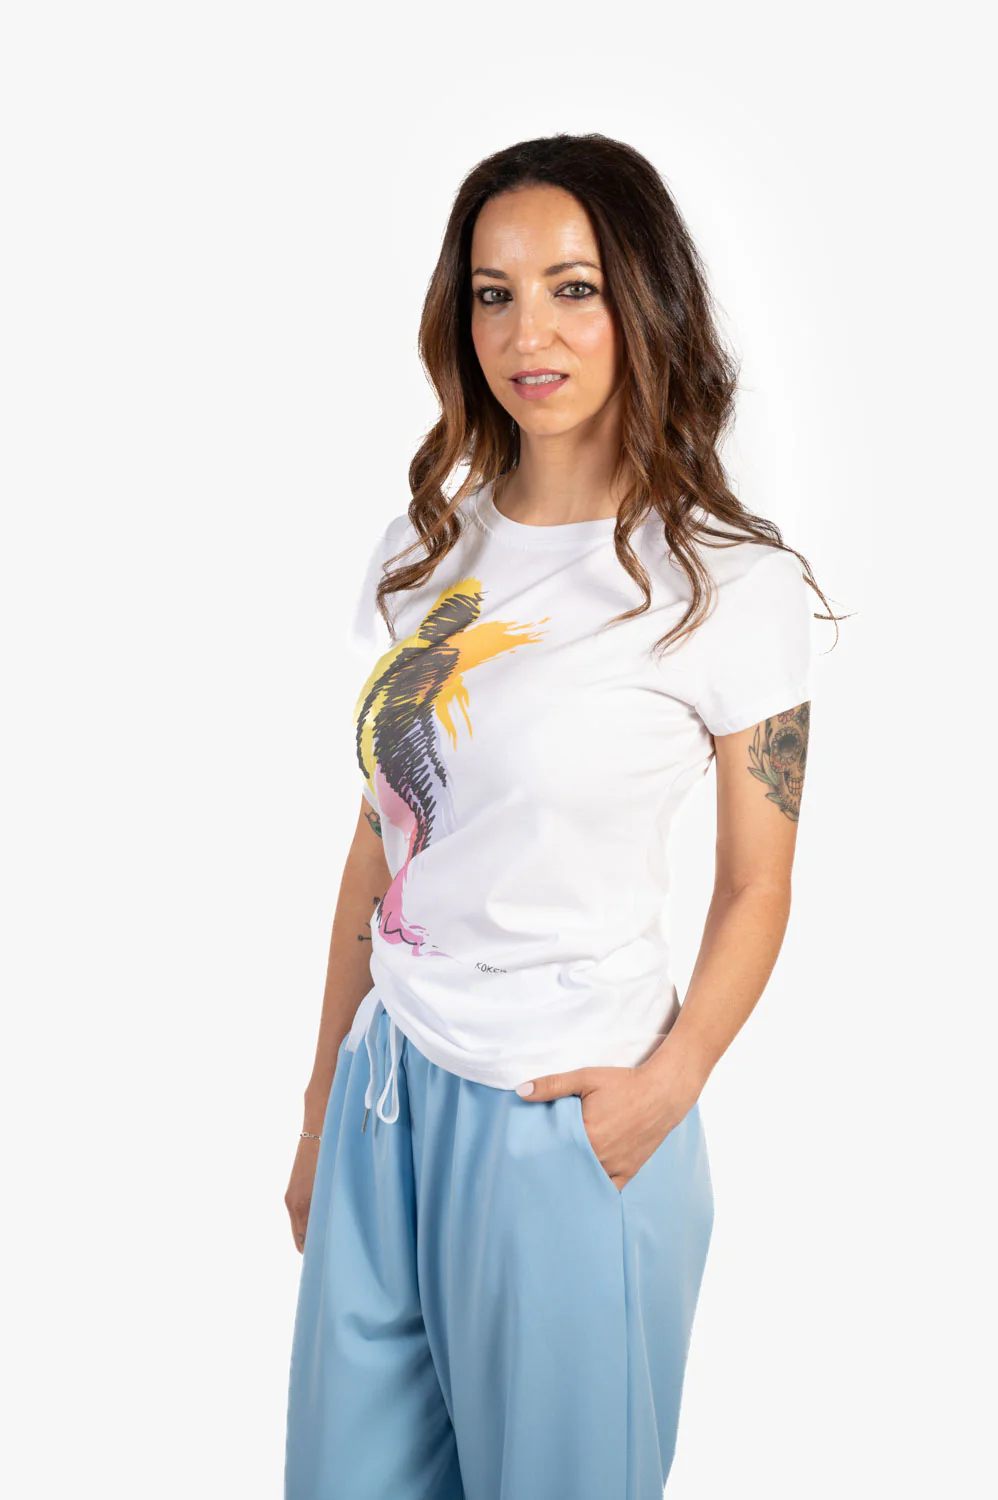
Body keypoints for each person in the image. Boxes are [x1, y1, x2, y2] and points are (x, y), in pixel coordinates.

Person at [283, 133, 839, 1500]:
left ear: (641, 301)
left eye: (571, 288)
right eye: (493, 293)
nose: (526, 332)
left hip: (563, 1116)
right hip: (384, 1095)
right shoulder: (429, 552)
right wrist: (318, 1108)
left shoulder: (728, 586)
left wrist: (667, 1086)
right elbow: (379, 843)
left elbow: (756, 885)